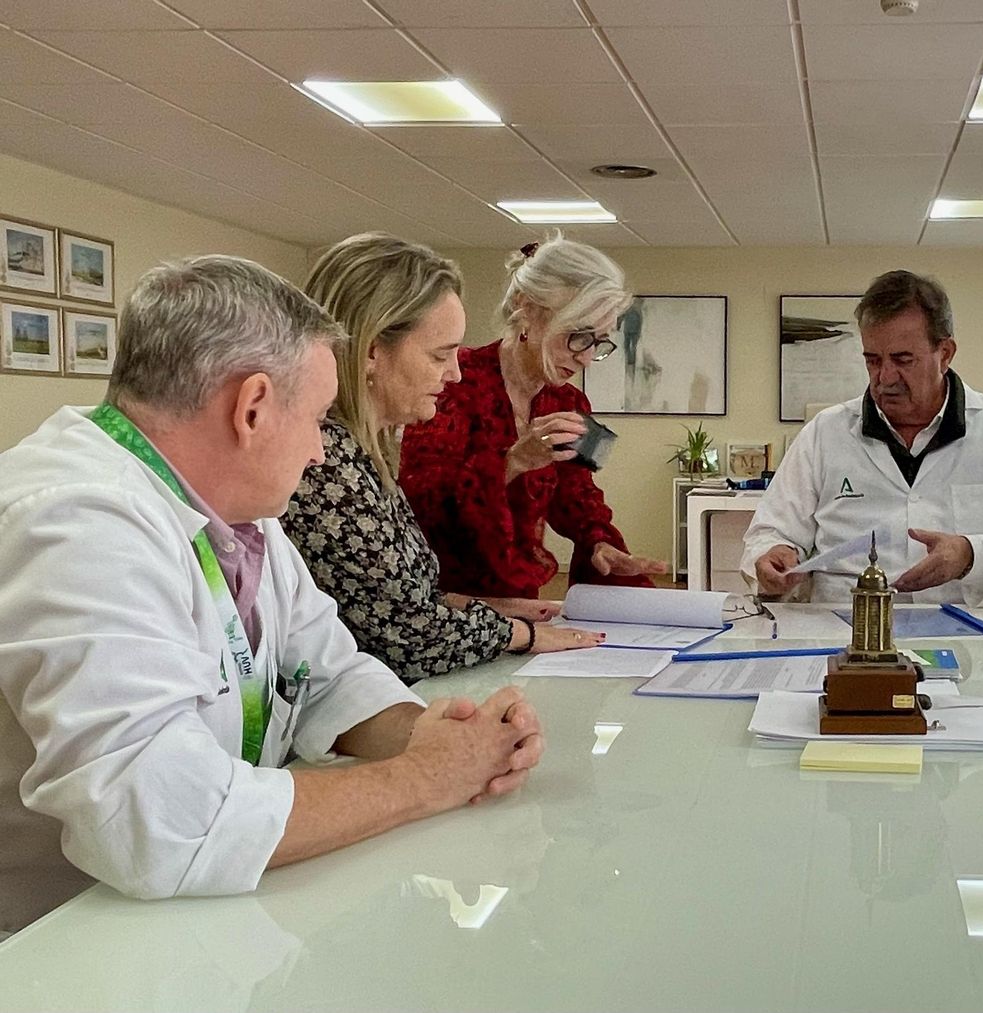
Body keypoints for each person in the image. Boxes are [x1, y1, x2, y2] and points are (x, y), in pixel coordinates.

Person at [0, 256, 545, 935]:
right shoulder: (75, 521)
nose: (320, 452)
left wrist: (436, 736)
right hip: (51, 940)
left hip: (182, 916)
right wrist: (426, 777)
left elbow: (329, 672)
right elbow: (158, 817)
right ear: (252, 407)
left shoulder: (237, 512)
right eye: (316, 418)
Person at [282, 233, 600, 682]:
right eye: (439, 356)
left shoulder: (367, 452)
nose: (454, 374)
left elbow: (401, 594)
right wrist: (520, 633)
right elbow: (408, 636)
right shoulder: (326, 466)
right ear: (372, 349)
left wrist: (487, 607)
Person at [743, 269, 983, 605]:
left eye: (903, 360)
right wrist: (773, 554)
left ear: (945, 354)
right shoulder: (825, 433)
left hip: (967, 625)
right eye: (873, 361)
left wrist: (971, 555)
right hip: (844, 624)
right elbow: (770, 532)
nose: (885, 377)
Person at [399, 236, 667, 599]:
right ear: (527, 310)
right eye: (578, 336)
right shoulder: (453, 382)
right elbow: (420, 505)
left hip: (521, 598)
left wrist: (599, 542)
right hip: (441, 599)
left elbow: (577, 493)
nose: (586, 358)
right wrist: (512, 462)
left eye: (598, 342)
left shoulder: (569, 402)